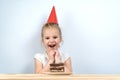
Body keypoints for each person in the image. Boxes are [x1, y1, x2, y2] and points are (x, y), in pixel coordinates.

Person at [34, 6, 72, 74]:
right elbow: (37, 76)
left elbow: (70, 74)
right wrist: (51, 61)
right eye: (47, 38)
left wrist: (58, 61)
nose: (51, 41)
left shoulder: (66, 57)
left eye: (55, 37)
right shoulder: (39, 57)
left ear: (60, 39)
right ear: (43, 41)